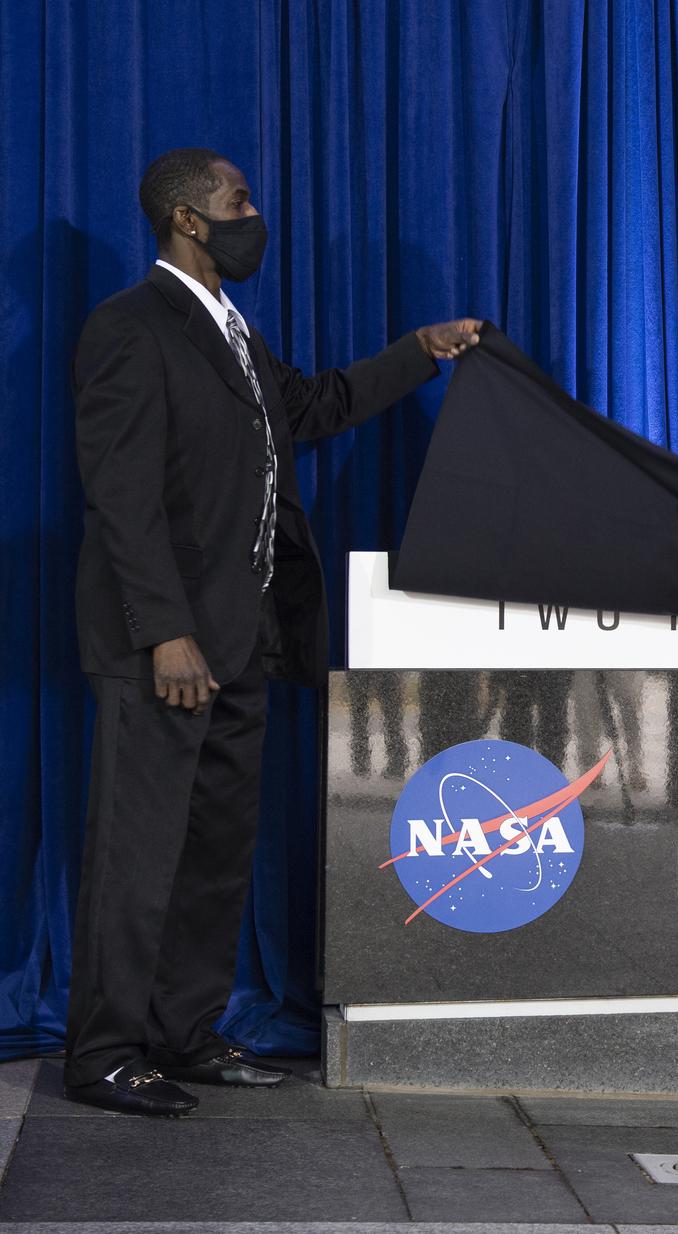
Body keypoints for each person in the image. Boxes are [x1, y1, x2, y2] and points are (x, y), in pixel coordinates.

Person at [66, 147, 483, 1117]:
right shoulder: (130, 326)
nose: (255, 216)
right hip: (165, 648)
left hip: (242, 640)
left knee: (215, 852)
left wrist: (420, 350)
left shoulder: (237, 336)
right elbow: (121, 496)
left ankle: (185, 1032)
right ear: (187, 219)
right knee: (138, 853)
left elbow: (312, 407)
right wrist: (165, 633)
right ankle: (105, 1052)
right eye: (238, 201)